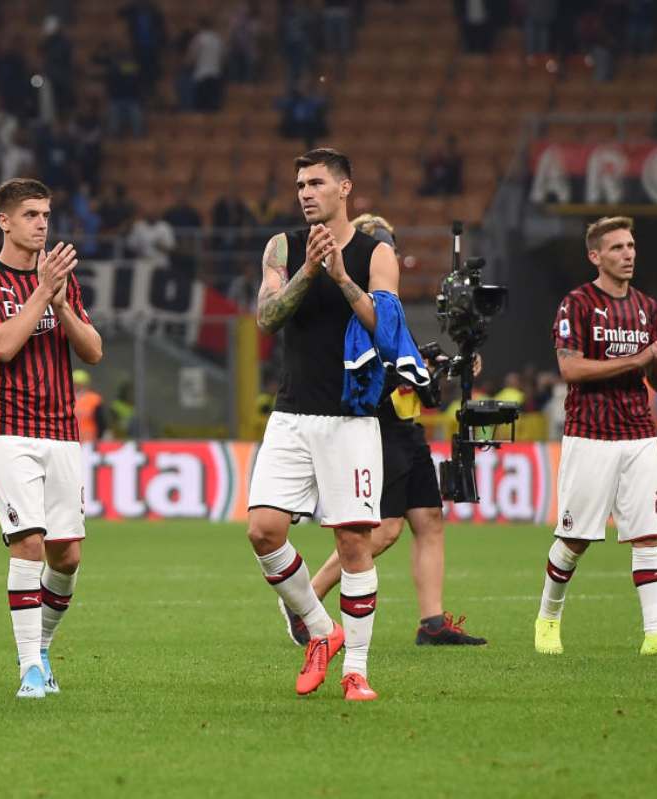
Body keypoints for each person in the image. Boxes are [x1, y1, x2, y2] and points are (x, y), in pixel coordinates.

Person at [279, 214, 487, 648]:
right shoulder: (352, 304)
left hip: (406, 429)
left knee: (429, 520)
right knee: (385, 529)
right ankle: (306, 600)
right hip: (378, 428)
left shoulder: (383, 300)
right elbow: (381, 368)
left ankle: (432, 622)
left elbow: (407, 361)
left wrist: (447, 367)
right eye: (383, 247)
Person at [247, 149, 398, 702]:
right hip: (291, 413)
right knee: (263, 530)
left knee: (354, 543)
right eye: (300, 185)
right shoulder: (283, 247)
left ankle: (355, 670)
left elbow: (387, 330)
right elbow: (266, 318)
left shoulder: (376, 252)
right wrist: (310, 271)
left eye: (316, 183)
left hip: (350, 419)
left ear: (344, 188)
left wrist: (341, 278)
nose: (306, 193)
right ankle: (319, 628)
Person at [0, 178, 103, 699]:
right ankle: (29, 670)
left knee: (67, 557)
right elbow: (0, 346)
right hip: (9, 430)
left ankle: (40, 647)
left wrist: (61, 304)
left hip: (62, 430)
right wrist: (43, 292)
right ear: (4, 221)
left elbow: (93, 351)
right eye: (31, 215)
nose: (42, 224)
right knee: (29, 543)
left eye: (45, 214)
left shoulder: (62, 281)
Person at [537, 216, 657, 656]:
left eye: (631, 246)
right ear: (595, 256)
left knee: (648, 535)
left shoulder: (647, 307)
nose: (628, 254)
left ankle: (656, 635)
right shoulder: (577, 304)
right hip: (590, 434)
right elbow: (570, 368)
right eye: (617, 248)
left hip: (640, 433)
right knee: (575, 540)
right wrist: (637, 359)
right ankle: (548, 619)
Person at [73, 369, 105, 442]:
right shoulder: (65, 398)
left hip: (89, 440)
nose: (76, 386)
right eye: (75, 384)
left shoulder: (94, 399)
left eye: (79, 384)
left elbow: (100, 421)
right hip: (70, 439)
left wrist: (99, 437)